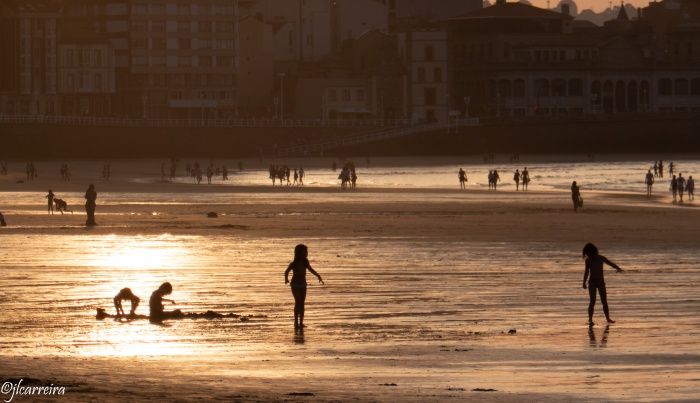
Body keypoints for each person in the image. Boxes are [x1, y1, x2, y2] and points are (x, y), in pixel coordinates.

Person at [284, 244, 324, 330]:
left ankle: (301, 323)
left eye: (306, 252)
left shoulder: (305, 262)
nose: (306, 253)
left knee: (302, 303)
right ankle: (295, 322)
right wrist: (286, 279)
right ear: (299, 253)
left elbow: (310, 269)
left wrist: (318, 276)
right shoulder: (294, 263)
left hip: (303, 284)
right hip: (295, 284)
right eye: (305, 252)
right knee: (297, 301)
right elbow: (286, 271)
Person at [582, 243, 623, 325]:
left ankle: (608, 319)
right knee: (592, 301)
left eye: (588, 253)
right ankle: (590, 320)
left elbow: (610, 263)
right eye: (587, 254)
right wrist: (584, 282)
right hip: (592, 283)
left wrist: (617, 268)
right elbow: (586, 272)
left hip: (601, 283)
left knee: (604, 301)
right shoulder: (588, 260)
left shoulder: (600, 258)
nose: (588, 255)